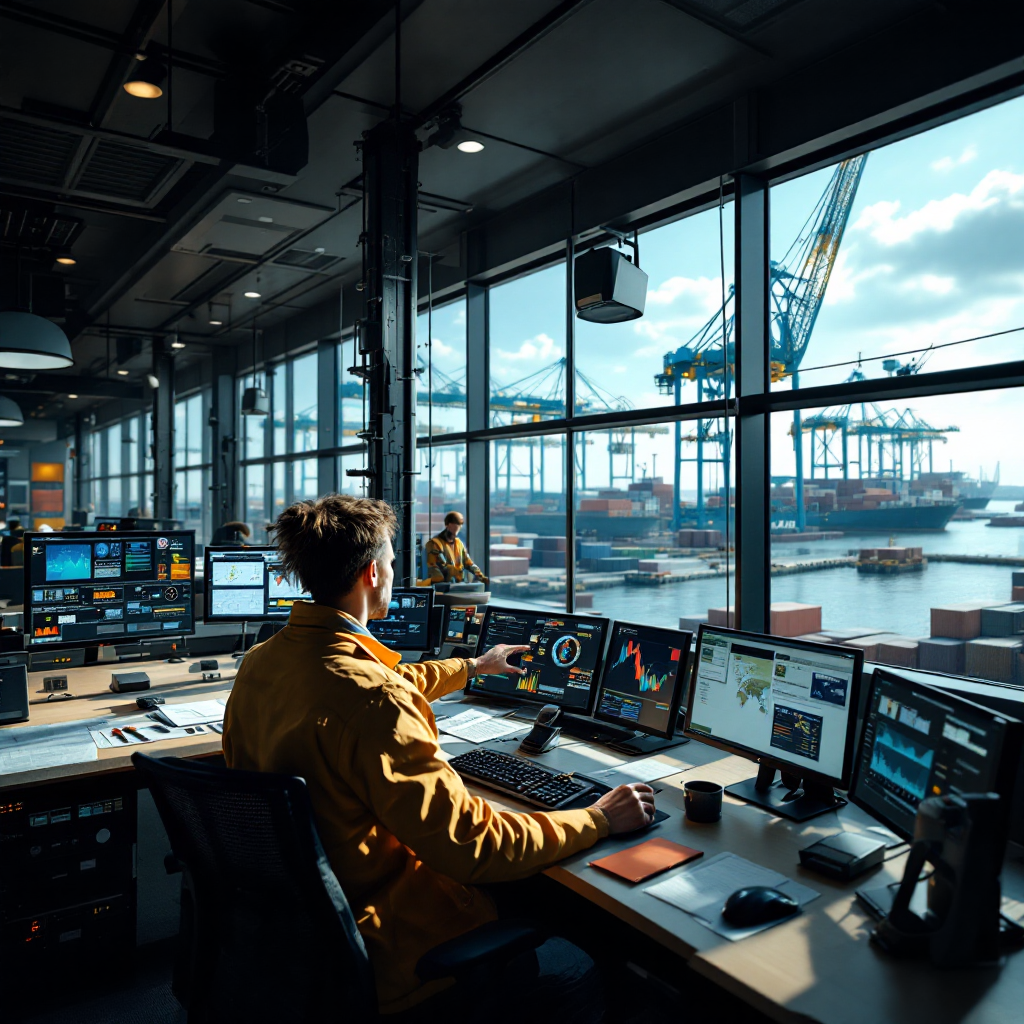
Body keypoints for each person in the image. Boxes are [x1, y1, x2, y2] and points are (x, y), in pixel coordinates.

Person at [223, 494, 655, 1018]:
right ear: (370, 575)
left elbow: (387, 680)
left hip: (301, 930)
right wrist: (597, 818)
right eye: (389, 561)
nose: (392, 569)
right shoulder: (375, 701)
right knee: (580, 962)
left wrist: (474, 666)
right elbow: (474, 846)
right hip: (392, 941)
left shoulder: (264, 661)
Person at [425, 511, 487, 586]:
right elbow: (440, 566)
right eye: (457, 523)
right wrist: (458, 571)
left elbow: (468, 563)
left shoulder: (458, 543)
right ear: (448, 524)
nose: (459, 527)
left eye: (461, 524)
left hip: (459, 585)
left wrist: (481, 576)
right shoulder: (435, 543)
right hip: (442, 587)